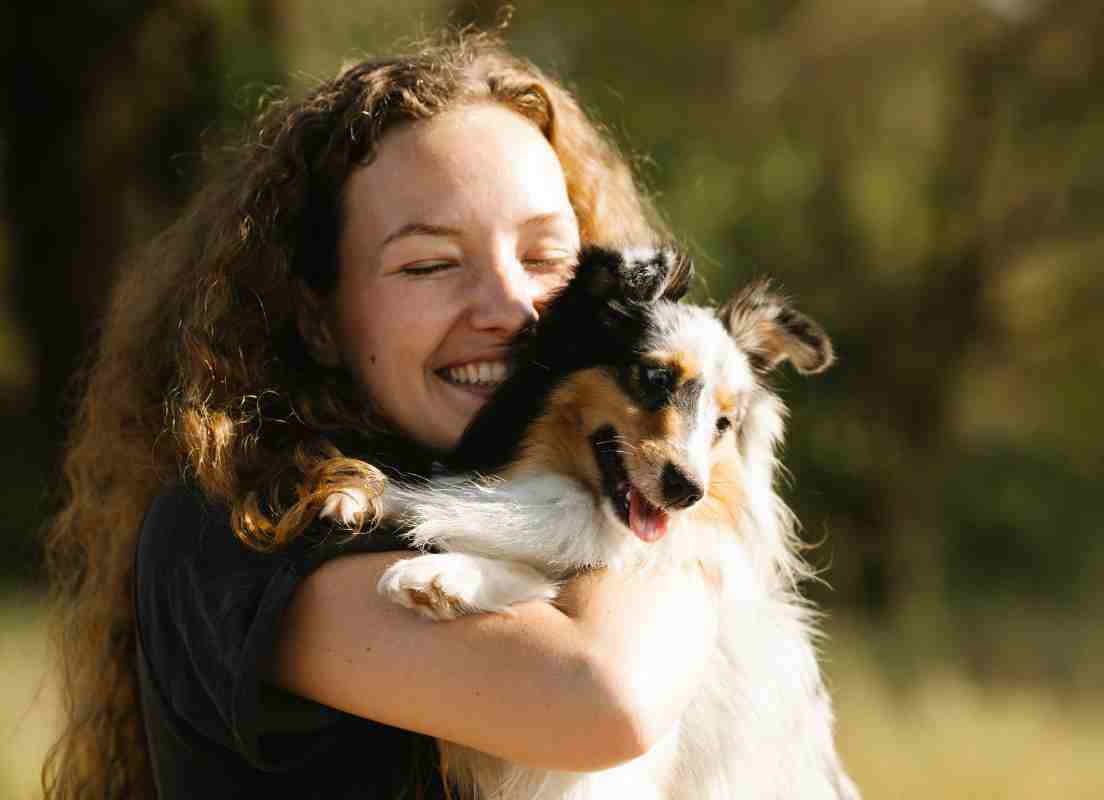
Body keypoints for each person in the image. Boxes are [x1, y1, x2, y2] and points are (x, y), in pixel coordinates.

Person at [42, 31, 720, 800]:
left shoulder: (530, 496)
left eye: (545, 258)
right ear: (318, 316)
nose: (512, 310)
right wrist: (689, 475)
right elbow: (603, 695)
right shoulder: (234, 537)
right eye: (430, 264)